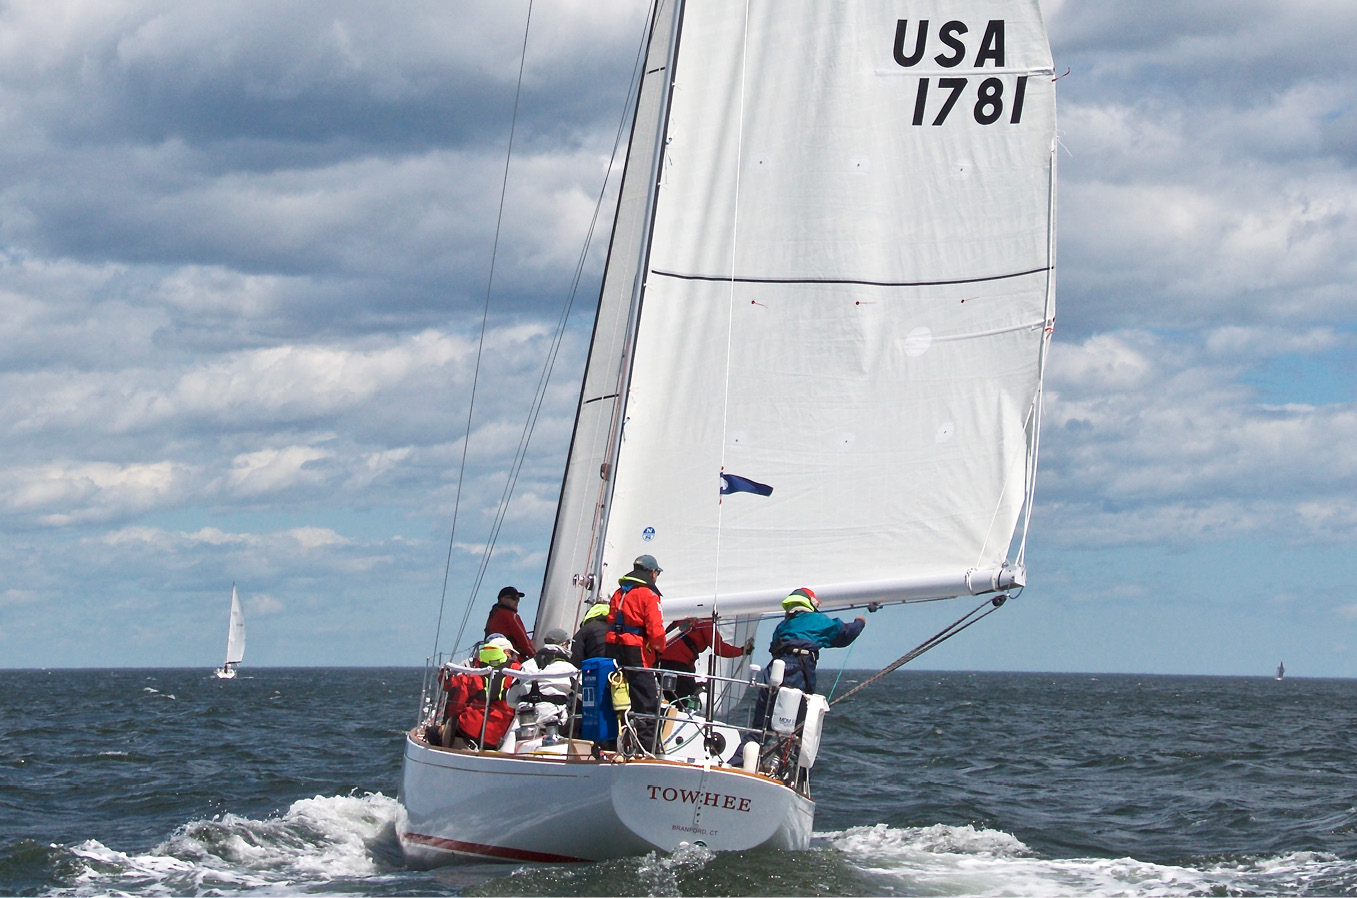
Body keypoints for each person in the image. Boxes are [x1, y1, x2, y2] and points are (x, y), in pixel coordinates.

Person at [739, 588, 865, 763]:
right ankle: (797, 775)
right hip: (797, 669)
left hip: (774, 669)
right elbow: (845, 634)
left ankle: (738, 762)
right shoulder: (817, 620)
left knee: (760, 728)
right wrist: (860, 622)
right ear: (811, 604)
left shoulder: (782, 626)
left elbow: (773, 646)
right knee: (800, 730)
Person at [605, 554, 667, 752]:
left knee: (616, 696)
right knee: (647, 702)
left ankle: (611, 744)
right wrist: (660, 648)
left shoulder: (619, 592)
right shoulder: (649, 595)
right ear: (652, 572)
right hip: (636, 653)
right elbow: (656, 630)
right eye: (656, 573)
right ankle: (646, 749)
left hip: (613, 649)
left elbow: (611, 620)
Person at [436, 636, 521, 750]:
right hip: (496, 736)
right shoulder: (517, 671)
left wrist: (450, 720)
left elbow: (458, 702)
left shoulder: (475, 671)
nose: (513, 657)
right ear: (505, 652)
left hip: (468, 729)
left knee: (435, 733)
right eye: (512, 653)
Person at [507, 628, 578, 742]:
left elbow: (510, 700)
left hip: (525, 721)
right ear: (564, 644)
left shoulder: (526, 665)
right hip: (553, 722)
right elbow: (585, 695)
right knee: (579, 720)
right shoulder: (568, 668)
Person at [657, 618, 754, 701]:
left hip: (660, 664)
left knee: (673, 702)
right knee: (685, 702)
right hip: (678, 666)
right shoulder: (705, 621)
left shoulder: (683, 619)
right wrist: (742, 651)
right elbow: (720, 649)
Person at [485, 586, 534, 658]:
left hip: (491, 655)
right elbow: (523, 641)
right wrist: (535, 656)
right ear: (503, 599)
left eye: (518, 599)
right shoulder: (511, 616)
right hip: (510, 657)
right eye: (514, 598)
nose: (516, 602)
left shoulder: (493, 614)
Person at [570, 598, 612, 668]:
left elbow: (576, 655)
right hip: (614, 670)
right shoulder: (614, 629)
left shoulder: (585, 630)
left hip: (592, 669)